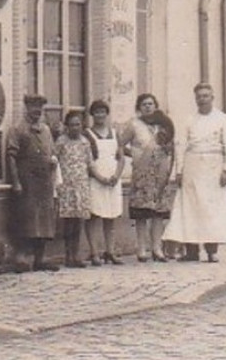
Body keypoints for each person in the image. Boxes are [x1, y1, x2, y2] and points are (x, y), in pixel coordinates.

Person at [162, 83, 226, 262]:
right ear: (195, 98)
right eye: (199, 96)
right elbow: (180, 145)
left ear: (212, 98)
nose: (202, 99)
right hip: (192, 167)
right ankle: (192, 251)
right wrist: (179, 171)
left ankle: (212, 251)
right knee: (190, 209)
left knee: (211, 209)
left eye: (206, 96)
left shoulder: (223, 119)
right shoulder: (189, 119)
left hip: (214, 168)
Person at [5, 94, 61, 271]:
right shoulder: (17, 129)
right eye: (33, 107)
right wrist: (16, 182)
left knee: (45, 220)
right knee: (27, 219)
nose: (36, 111)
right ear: (26, 107)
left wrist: (52, 160)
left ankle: (40, 258)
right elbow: (11, 156)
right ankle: (22, 258)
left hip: (44, 182)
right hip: (27, 181)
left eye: (40, 108)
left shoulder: (45, 130)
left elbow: (52, 151)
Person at [120, 92, 176, 262]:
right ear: (139, 108)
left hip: (160, 175)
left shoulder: (164, 124)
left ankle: (157, 248)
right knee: (142, 213)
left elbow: (172, 147)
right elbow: (120, 145)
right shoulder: (134, 125)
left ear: (155, 106)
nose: (148, 107)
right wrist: (135, 156)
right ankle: (142, 249)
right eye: (144, 104)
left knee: (158, 213)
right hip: (142, 175)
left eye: (151, 103)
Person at [84, 99, 127, 264]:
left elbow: (121, 158)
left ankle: (110, 251)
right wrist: (100, 178)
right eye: (97, 112)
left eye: (103, 111)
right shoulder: (87, 134)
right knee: (95, 215)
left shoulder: (115, 133)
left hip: (113, 179)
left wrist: (117, 175)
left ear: (107, 114)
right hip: (96, 178)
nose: (100, 115)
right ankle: (94, 252)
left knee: (111, 216)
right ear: (92, 114)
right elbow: (88, 162)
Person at [54, 107, 94, 267]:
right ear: (66, 126)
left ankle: (76, 254)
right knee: (67, 221)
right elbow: (55, 161)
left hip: (81, 185)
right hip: (66, 186)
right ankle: (68, 254)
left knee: (78, 221)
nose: (75, 128)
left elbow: (89, 163)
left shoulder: (85, 142)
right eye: (72, 125)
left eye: (78, 124)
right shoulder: (61, 142)